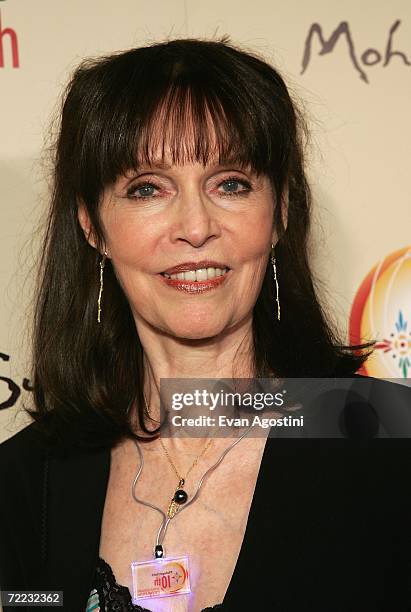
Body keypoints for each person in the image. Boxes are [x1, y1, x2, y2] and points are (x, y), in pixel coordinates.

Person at [1, 36, 411, 612]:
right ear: (93, 225)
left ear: (279, 214)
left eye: (230, 184)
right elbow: (29, 601)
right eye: (148, 188)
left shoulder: (389, 442)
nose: (195, 226)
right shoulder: (26, 482)